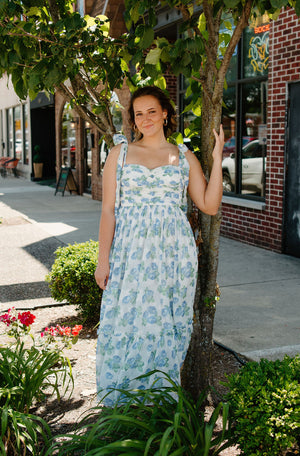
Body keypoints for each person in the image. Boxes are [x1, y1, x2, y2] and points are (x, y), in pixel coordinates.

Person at [94, 85, 224, 406]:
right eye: (139, 114)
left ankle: (159, 402)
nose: (145, 119)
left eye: (152, 111)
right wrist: (103, 259)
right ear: (133, 120)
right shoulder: (119, 154)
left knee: (166, 321)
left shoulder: (182, 157)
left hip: (173, 254)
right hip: (129, 250)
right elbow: (108, 210)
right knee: (126, 317)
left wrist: (218, 159)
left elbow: (208, 205)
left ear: (165, 113)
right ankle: (122, 401)